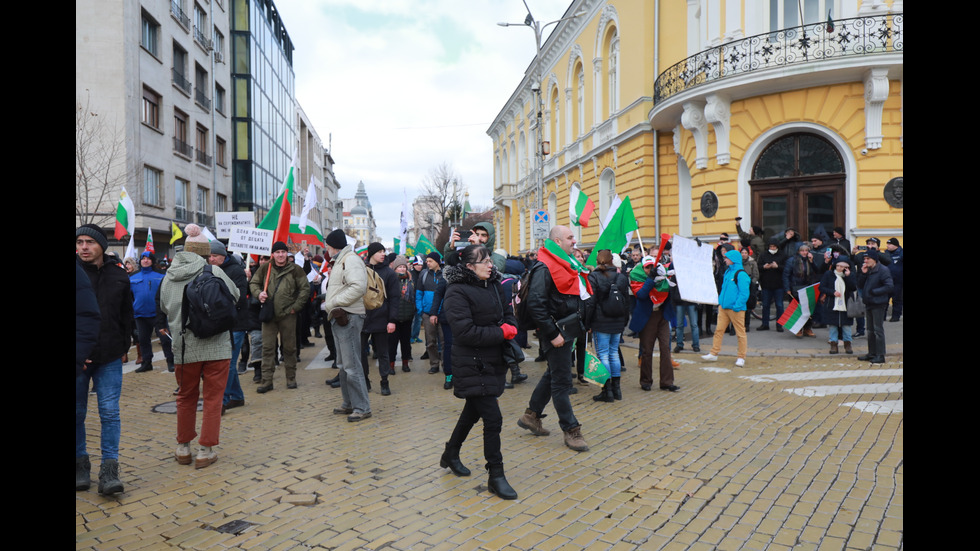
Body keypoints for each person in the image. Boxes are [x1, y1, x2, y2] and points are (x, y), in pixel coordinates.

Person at [439, 244, 519, 500]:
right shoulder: (456, 291)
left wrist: (510, 327)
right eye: (483, 261)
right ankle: (496, 474)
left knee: (472, 413)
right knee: (493, 419)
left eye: (490, 259)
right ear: (469, 267)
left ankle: (451, 452)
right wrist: (500, 333)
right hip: (471, 362)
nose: (490, 264)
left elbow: (508, 313)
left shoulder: (494, 284)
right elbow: (464, 332)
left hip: (494, 361)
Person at [157, 224, 239, 469]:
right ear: (205, 252)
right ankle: (205, 450)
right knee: (213, 399)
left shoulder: (168, 275)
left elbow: (164, 307)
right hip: (216, 345)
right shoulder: (213, 270)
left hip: (184, 347)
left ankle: (183, 448)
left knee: (185, 397)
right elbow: (234, 295)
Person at [517, 225, 589, 452]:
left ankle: (531, 416)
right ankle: (571, 430)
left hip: (565, 331)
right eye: (569, 238)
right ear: (557, 242)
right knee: (561, 383)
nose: (574, 241)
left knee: (552, 375)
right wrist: (553, 334)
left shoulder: (563, 263)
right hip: (556, 332)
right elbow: (536, 305)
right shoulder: (545, 266)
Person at [76, 223, 132, 495]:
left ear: (102, 246)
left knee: (110, 413)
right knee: (77, 413)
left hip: (109, 356)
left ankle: (110, 470)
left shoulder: (119, 276)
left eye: (89, 242)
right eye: (79, 242)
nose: (84, 247)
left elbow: (126, 317)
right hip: (78, 358)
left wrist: (124, 346)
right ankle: (80, 466)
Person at [320, 229, 372, 422]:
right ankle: (349, 403)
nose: (326, 249)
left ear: (333, 246)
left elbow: (358, 286)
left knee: (351, 365)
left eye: (327, 246)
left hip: (347, 316)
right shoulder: (343, 260)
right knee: (343, 364)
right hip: (342, 316)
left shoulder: (349, 259)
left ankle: (362, 407)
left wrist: (334, 303)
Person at [249, 241, 310, 393]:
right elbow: (254, 283)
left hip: (288, 315)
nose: (281, 255)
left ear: (287, 254)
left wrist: (295, 307)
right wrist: (259, 294)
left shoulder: (295, 269)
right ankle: (266, 380)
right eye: (277, 252)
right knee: (268, 348)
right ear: (273, 254)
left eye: (283, 252)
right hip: (269, 315)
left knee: (289, 348)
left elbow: (305, 288)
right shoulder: (265, 268)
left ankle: (291, 378)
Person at [208, 241, 249, 414]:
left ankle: (223, 401)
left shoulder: (236, 271)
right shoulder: (209, 270)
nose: (211, 259)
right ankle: (237, 396)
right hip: (220, 322)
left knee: (228, 363)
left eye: (214, 256)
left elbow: (239, 297)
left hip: (236, 323)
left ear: (223, 256)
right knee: (227, 362)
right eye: (209, 256)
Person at [630, 255, 679, 392]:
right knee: (647, 349)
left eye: (653, 266)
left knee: (665, 348)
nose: (650, 269)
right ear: (642, 267)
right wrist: (651, 279)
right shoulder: (636, 276)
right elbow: (641, 294)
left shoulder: (662, 274)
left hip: (662, 315)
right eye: (647, 267)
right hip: (648, 316)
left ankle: (667, 382)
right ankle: (646, 381)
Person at [587, 249, 630, 401]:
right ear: (612, 260)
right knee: (613, 353)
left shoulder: (594, 277)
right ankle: (617, 390)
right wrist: (624, 320)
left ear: (597, 261)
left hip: (601, 321)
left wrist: (588, 322)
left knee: (603, 354)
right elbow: (626, 301)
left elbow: (591, 302)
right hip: (617, 321)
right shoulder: (621, 277)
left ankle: (607, 391)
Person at [361, 243, 399, 396]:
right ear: (371, 253)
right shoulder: (362, 271)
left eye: (384, 251)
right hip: (363, 319)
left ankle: (384, 381)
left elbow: (395, 298)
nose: (383, 254)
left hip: (382, 319)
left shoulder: (389, 273)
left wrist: (392, 320)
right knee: (361, 352)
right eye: (379, 251)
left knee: (383, 353)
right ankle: (365, 380)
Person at [702, 249, 751, 367]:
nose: (725, 259)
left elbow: (744, 293)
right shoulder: (728, 271)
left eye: (727, 258)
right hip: (723, 307)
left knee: (740, 333)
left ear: (733, 260)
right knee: (719, 331)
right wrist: (720, 303)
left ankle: (741, 357)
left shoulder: (741, 274)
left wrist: (737, 306)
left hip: (736, 309)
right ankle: (714, 353)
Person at [130, 251, 175, 373]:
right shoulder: (133, 276)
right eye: (143, 258)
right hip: (140, 314)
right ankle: (146, 362)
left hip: (159, 314)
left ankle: (170, 361)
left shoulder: (162, 275)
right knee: (143, 340)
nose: (145, 261)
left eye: (148, 259)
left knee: (165, 339)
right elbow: (129, 296)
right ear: (140, 261)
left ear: (152, 261)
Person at [856, 249, 894, 364]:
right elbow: (860, 285)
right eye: (865, 259)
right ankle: (872, 353)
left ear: (874, 260)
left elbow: (889, 286)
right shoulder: (868, 270)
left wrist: (874, 292)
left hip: (878, 303)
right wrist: (863, 273)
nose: (865, 261)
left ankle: (880, 355)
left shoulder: (883, 270)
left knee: (878, 330)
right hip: (869, 303)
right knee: (870, 330)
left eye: (868, 259)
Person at [819, 256, 857, 354]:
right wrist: (832, 292)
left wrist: (848, 277)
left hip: (846, 304)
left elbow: (853, 287)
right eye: (838, 266)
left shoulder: (850, 275)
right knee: (833, 325)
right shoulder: (829, 274)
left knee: (846, 326)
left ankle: (847, 345)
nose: (840, 268)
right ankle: (834, 345)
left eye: (843, 266)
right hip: (832, 303)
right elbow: (822, 287)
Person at [417, 253, 445, 375]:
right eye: (427, 261)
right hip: (427, 314)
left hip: (442, 314)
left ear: (437, 262)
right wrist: (421, 311)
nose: (427, 263)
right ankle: (434, 364)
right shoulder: (423, 275)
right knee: (430, 342)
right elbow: (418, 294)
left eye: (430, 261)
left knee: (444, 342)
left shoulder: (445, 276)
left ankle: (446, 364)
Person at [782, 243, 819, 337]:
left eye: (806, 250)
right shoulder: (791, 261)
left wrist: (812, 261)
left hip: (807, 287)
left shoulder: (809, 260)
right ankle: (798, 329)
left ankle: (807, 328)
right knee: (797, 309)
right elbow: (786, 275)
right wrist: (787, 288)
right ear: (798, 251)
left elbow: (817, 271)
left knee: (808, 310)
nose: (804, 252)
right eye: (802, 251)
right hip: (795, 288)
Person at [387, 256, 416, 373]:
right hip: (394, 317)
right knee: (392, 344)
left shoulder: (411, 280)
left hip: (407, 317)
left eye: (404, 267)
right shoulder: (391, 281)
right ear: (395, 269)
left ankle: (405, 363)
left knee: (405, 343)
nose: (402, 269)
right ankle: (391, 365)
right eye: (399, 267)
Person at [757, 238, 787, 332]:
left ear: (777, 246)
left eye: (774, 246)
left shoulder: (783, 255)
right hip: (766, 284)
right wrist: (764, 267)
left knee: (779, 305)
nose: (772, 248)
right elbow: (758, 267)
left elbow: (787, 268)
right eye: (770, 246)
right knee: (765, 305)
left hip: (779, 285)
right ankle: (765, 324)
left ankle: (779, 325)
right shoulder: (763, 255)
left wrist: (777, 267)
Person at [885, 238, 903, 321]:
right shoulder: (886, 253)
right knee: (884, 299)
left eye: (889, 244)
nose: (887, 246)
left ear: (895, 245)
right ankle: (882, 316)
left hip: (898, 281)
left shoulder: (901, 253)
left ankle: (896, 316)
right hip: (887, 281)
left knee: (897, 299)